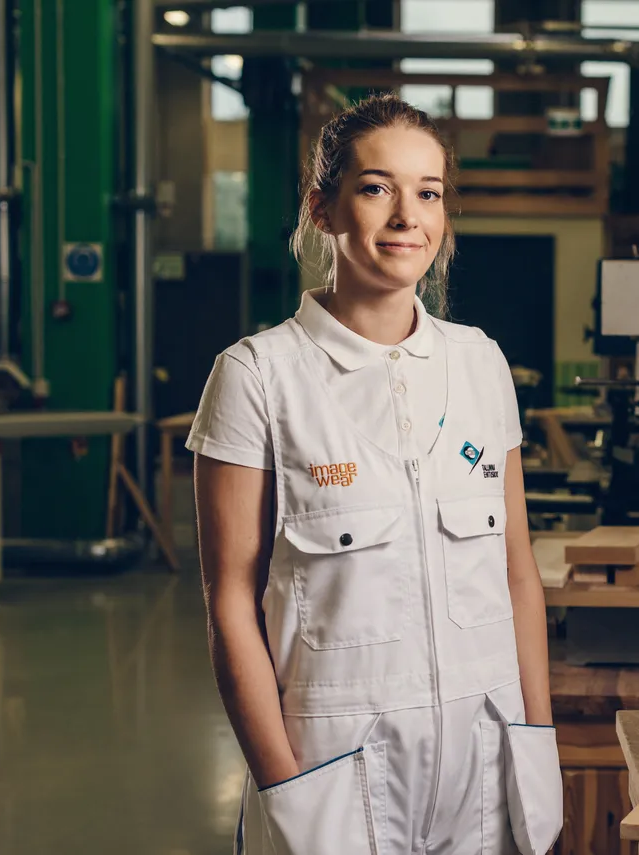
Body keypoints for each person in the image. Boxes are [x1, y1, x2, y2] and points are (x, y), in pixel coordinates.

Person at [188, 93, 561, 855]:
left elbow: (518, 569)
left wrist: (536, 738)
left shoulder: (481, 363)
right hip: (332, 768)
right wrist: (287, 790)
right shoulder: (258, 376)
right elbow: (230, 601)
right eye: (376, 187)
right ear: (322, 209)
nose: (408, 216)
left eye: (428, 192)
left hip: (485, 768)